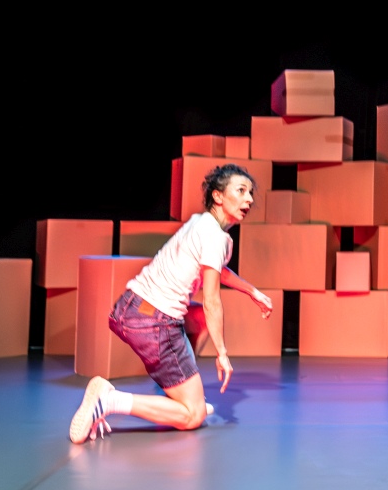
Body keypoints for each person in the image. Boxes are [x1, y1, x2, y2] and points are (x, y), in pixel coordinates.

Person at [68, 163, 274, 444]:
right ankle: (110, 400)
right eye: (241, 191)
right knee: (193, 416)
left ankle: (185, 391)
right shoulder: (216, 238)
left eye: (250, 193)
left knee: (197, 320)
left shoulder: (200, 223)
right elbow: (212, 300)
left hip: (129, 309)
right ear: (218, 196)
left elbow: (216, 269)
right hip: (156, 324)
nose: (249, 199)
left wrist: (252, 292)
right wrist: (222, 353)